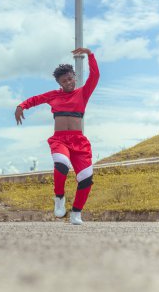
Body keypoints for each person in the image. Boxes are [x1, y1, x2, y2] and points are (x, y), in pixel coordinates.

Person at [14, 47, 100, 224]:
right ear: (59, 83)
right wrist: (21, 106)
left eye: (70, 78)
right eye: (64, 81)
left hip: (79, 142)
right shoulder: (53, 96)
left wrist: (90, 54)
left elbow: (95, 76)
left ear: (74, 77)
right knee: (61, 164)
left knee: (86, 179)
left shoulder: (83, 93)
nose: (69, 82)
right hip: (60, 139)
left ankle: (76, 213)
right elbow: (35, 99)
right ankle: (59, 197)